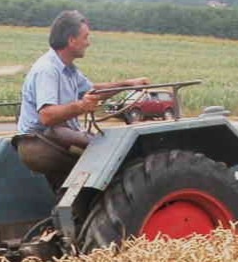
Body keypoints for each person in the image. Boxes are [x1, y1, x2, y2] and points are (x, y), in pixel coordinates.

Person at [16, 11, 149, 188]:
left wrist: (127, 84)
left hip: (55, 138)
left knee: (105, 145)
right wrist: (81, 106)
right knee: (110, 155)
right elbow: (47, 116)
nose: (88, 43)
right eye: (85, 37)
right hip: (42, 142)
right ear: (71, 40)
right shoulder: (47, 70)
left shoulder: (68, 69)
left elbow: (93, 92)